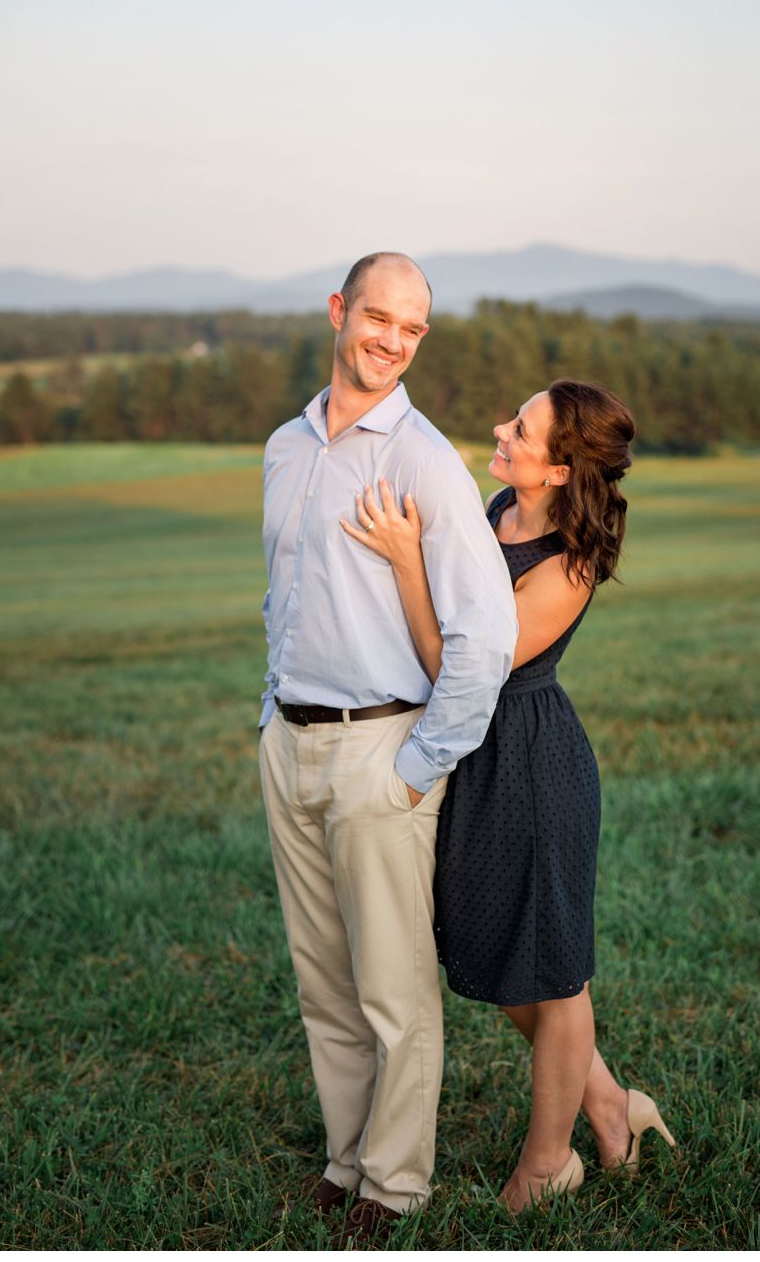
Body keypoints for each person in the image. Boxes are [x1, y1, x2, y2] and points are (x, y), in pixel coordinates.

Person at [342, 378, 675, 1214]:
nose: (500, 429)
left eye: (520, 428)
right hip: (476, 763)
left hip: (530, 765)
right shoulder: (498, 508)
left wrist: (407, 561)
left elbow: (460, 670)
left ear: (562, 469)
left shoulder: (570, 562)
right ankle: (610, 1105)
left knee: (554, 978)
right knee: (498, 960)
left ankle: (546, 1162)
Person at [257, 251, 516, 1241]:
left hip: (382, 751)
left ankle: (396, 1184)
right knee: (322, 978)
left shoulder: (421, 460)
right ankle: (344, 1155)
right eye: (379, 319)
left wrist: (421, 765)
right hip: (289, 743)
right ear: (337, 310)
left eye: (412, 330)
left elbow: (485, 632)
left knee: (393, 989)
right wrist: (268, 714)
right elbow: (283, 593)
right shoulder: (287, 447)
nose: (393, 342)